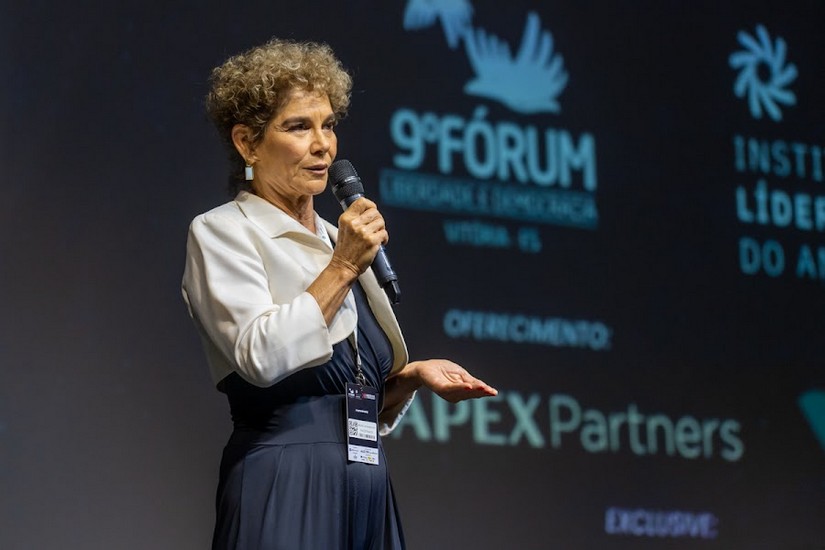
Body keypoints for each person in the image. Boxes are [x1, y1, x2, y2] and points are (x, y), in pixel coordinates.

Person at [181, 38, 497, 550]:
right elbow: (260, 356)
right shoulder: (225, 231)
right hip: (285, 480)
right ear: (247, 143)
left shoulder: (337, 238)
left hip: (366, 485)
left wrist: (410, 378)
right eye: (298, 127)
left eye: (328, 125)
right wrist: (344, 266)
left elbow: (342, 390)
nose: (323, 145)